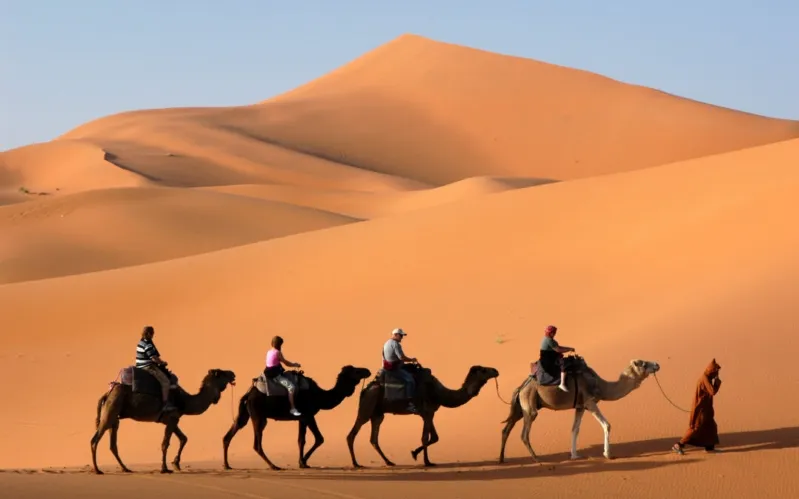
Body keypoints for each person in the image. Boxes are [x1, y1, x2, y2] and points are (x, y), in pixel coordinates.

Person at [672, 359, 722, 455]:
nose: (717, 373)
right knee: (695, 428)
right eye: (716, 371)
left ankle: (709, 447)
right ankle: (678, 445)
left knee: (711, 426)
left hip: (706, 409)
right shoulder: (705, 379)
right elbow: (712, 392)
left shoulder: (707, 378)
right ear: (712, 370)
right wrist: (717, 383)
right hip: (700, 409)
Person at [135, 325, 176, 412]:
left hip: (140, 365)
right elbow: (153, 357)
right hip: (147, 367)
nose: (153, 335)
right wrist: (162, 362)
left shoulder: (141, 341)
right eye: (152, 333)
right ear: (149, 333)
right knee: (166, 382)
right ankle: (165, 404)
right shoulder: (147, 344)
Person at [382, 328, 418, 413]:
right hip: (393, 369)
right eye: (401, 335)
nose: (402, 337)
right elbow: (401, 357)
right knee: (410, 381)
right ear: (396, 335)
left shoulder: (387, 343)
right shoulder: (395, 344)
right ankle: (410, 404)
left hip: (387, 367)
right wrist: (411, 360)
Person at [264, 335, 302, 417]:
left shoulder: (269, 351)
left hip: (268, 372)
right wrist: (295, 364)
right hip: (275, 375)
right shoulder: (278, 353)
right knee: (291, 387)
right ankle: (292, 409)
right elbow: (286, 363)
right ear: (279, 345)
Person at [538, 325, 575, 392]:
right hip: (549, 361)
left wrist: (569, 348)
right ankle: (562, 384)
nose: (554, 334)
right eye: (554, 332)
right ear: (551, 333)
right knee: (565, 364)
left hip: (547, 359)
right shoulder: (549, 340)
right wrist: (569, 349)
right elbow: (558, 349)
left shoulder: (546, 338)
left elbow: (558, 347)